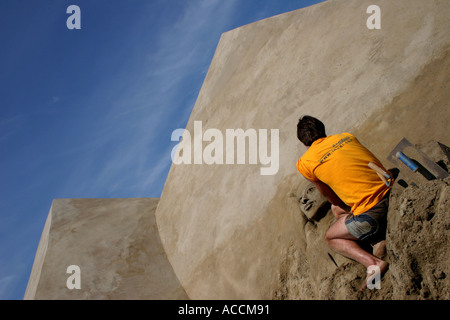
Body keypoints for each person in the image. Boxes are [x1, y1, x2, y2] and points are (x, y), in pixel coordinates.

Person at [296, 115, 391, 290]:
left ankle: (373, 263)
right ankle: (377, 241)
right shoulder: (347, 137)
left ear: (303, 143)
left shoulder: (305, 163)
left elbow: (329, 196)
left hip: (373, 213)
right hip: (389, 191)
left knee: (331, 236)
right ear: (323, 130)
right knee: (337, 210)